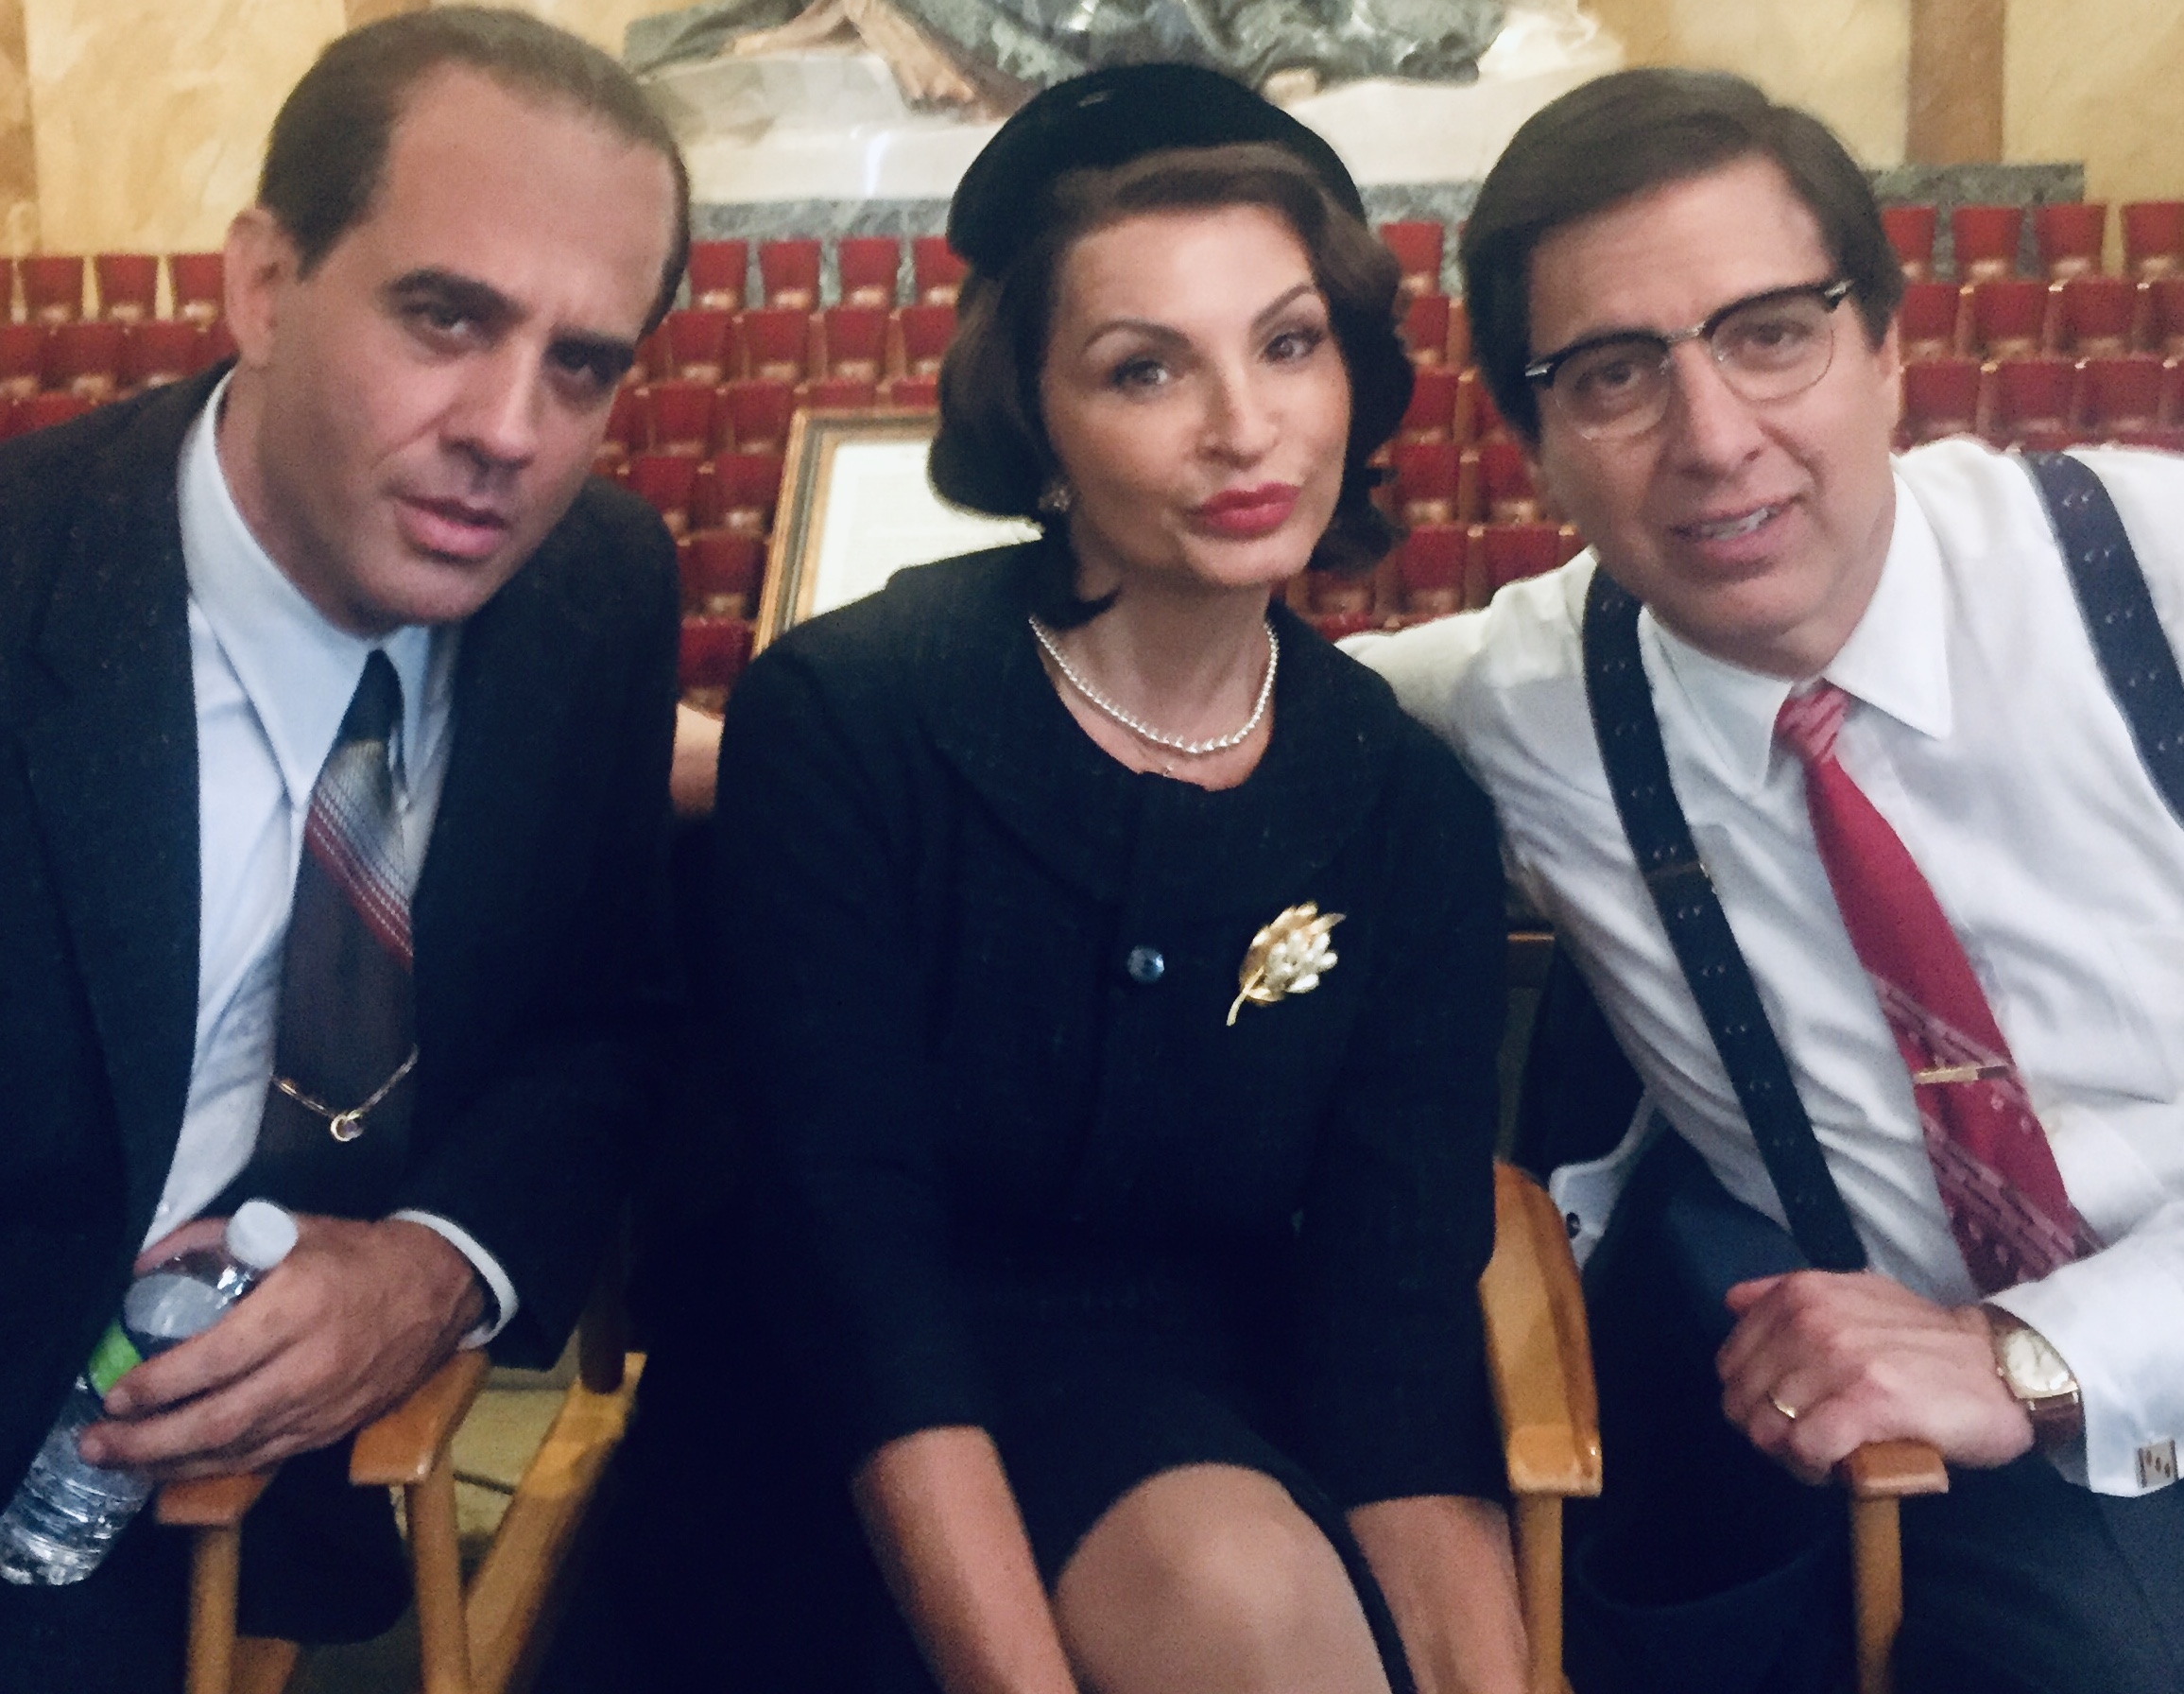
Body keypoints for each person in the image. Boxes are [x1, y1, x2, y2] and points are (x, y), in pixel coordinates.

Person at [580, 61, 1527, 1694]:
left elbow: (1393, 1344)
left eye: (1288, 345)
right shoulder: (850, 717)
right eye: (1145, 368)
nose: (1244, 427)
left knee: (1248, 1594)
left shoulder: (1407, 805)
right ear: (1036, 419)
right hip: (815, 1428)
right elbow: (851, 1265)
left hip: (1188, 1411)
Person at [1352, 66, 2184, 1694]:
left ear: (1886, 347)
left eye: (1772, 334)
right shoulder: (1527, 699)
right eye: (1614, 375)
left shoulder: (2153, 578)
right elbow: (1189, 705)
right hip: (2004, 1482)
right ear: (1534, 446)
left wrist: (2045, 1353)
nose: (1716, 440)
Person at [0, 9, 686, 1688]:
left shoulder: (595, 588)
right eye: (446, 318)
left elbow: (603, 1025)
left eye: (582, 365)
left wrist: (436, 1268)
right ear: (263, 283)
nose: (510, 429)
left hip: (243, 1495)